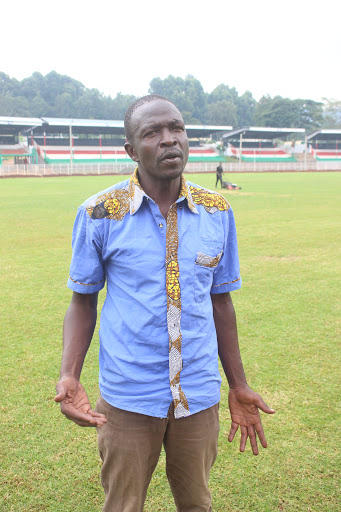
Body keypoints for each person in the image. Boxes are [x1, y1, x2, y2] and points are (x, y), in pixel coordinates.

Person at [55, 95, 275, 512]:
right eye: (152, 133)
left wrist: (239, 384)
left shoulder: (217, 210)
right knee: (123, 505)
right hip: (128, 396)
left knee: (197, 503)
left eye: (176, 128)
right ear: (131, 150)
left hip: (198, 394)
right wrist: (69, 373)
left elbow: (221, 303)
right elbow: (83, 301)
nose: (169, 140)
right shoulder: (99, 213)